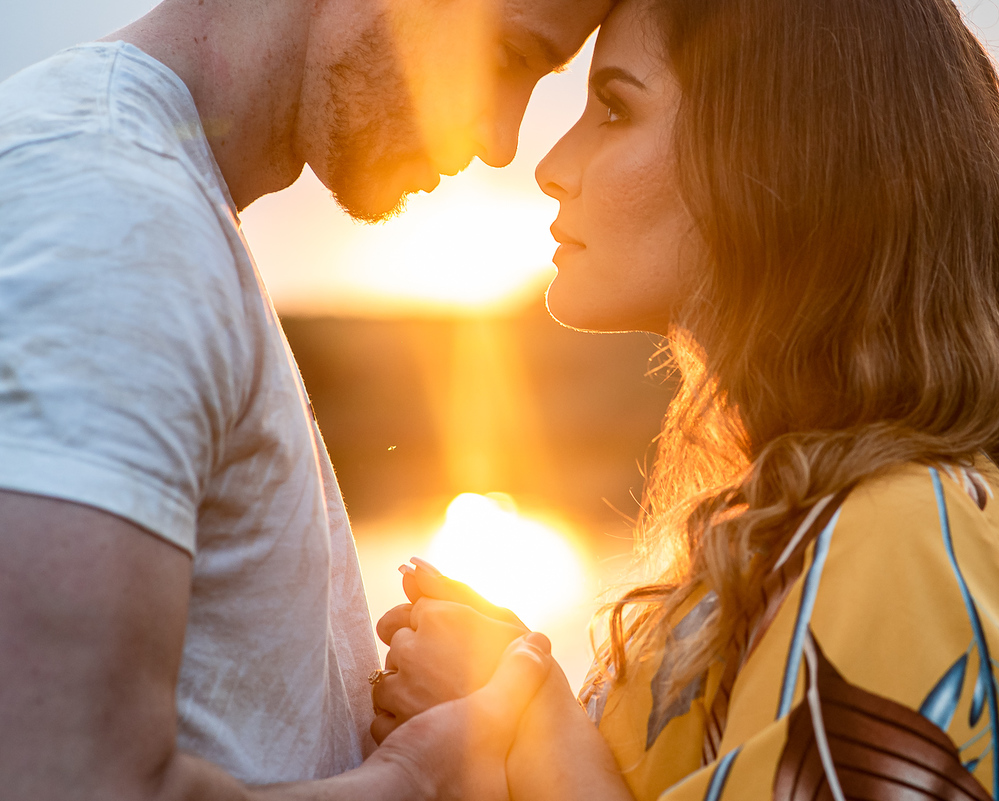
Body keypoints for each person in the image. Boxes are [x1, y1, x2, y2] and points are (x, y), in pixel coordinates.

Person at [368, 0, 999, 799]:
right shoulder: (800, 528)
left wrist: (528, 713)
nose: (550, 164)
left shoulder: (907, 532)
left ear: (778, 157)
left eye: (615, 107)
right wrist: (502, 679)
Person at [0, 0, 610, 797]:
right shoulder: (114, 213)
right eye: (506, 58)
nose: (501, 142)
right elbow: (67, 780)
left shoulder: (155, 198)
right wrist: (415, 779)